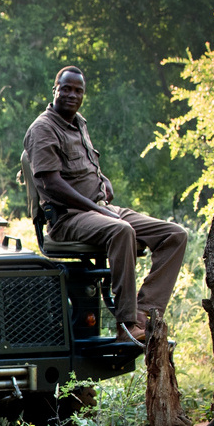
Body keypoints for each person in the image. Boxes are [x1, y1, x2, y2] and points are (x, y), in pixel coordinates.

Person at [24, 67, 188, 346]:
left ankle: (144, 314)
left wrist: (104, 182)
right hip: (68, 218)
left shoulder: (79, 123)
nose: (72, 95)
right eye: (66, 89)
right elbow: (52, 184)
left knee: (175, 235)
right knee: (121, 230)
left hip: (99, 209)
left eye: (78, 90)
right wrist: (96, 207)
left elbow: (84, 166)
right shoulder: (43, 128)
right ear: (55, 90)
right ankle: (125, 325)